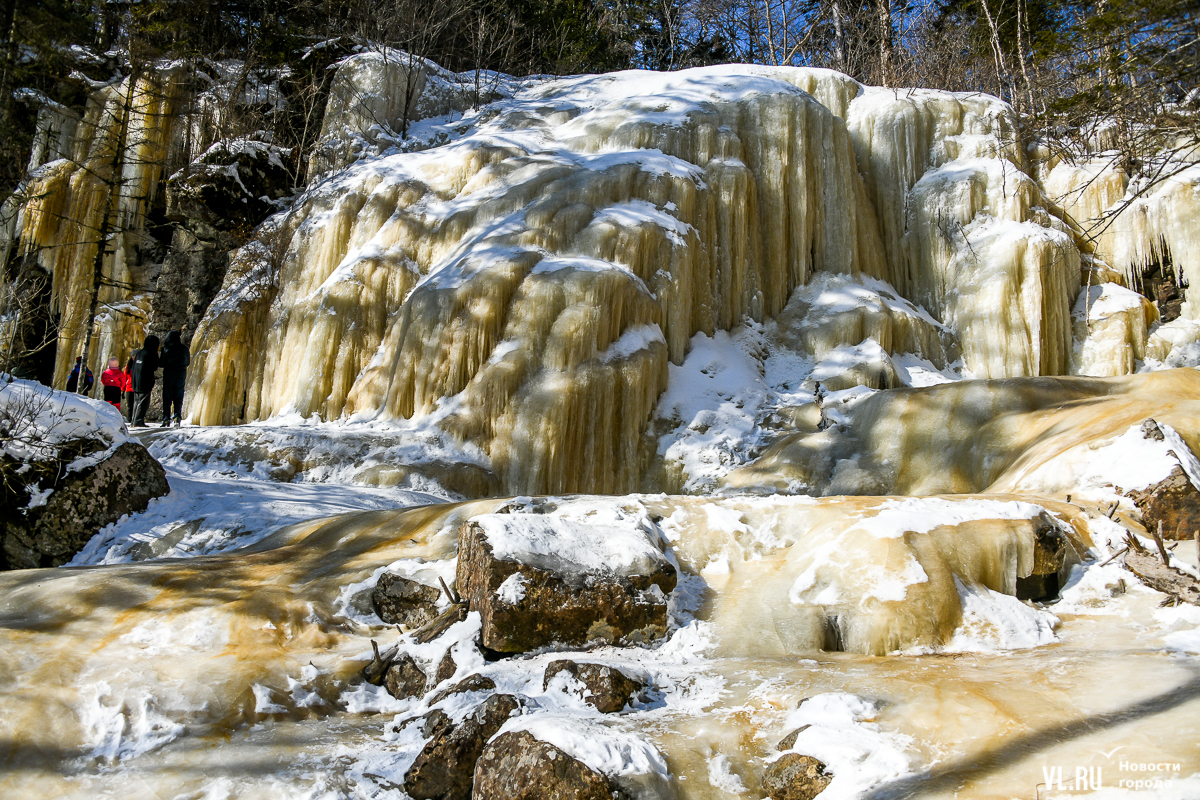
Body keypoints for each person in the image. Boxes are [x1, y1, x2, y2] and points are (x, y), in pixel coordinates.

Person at [159, 329, 190, 427]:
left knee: (167, 398)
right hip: (180, 376)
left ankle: (166, 418)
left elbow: (161, 363)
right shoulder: (184, 349)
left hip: (168, 376)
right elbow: (187, 362)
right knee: (178, 397)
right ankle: (177, 417)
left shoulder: (166, 349)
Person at [128, 334, 160, 427]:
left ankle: (134, 421)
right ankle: (138, 421)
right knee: (143, 403)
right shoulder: (151, 353)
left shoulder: (140, 353)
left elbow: (134, 367)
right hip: (145, 382)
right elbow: (155, 366)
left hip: (135, 381)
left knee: (136, 402)